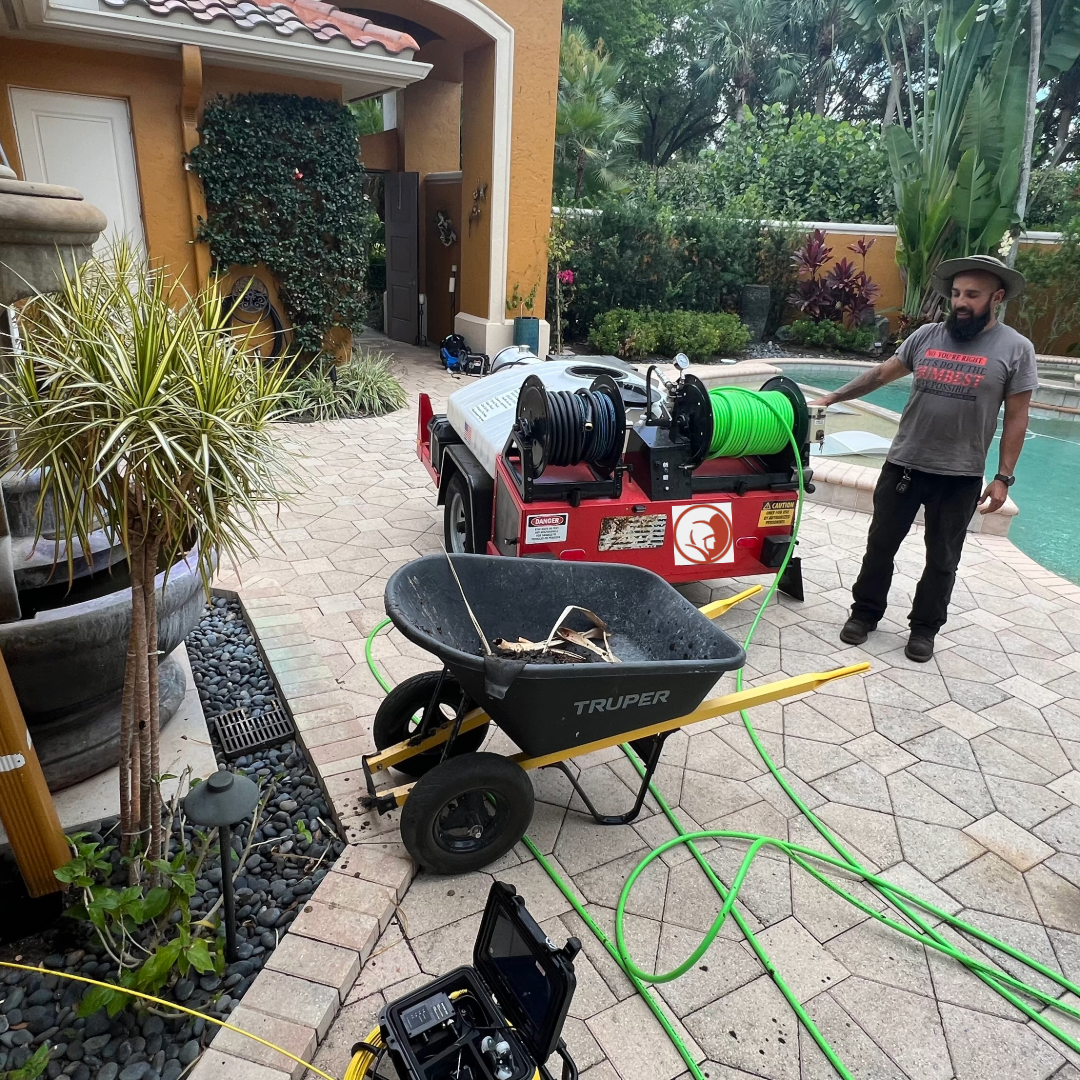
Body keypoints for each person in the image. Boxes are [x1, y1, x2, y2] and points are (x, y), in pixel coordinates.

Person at [810, 255, 1037, 663]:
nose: (960, 302)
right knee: (880, 545)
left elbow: (1018, 416)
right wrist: (833, 396)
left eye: (972, 295)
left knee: (943, 559)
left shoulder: (1016, 349)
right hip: (905, 465)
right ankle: (864, 614)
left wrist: (1004, 476)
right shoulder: (927, 336)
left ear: (997, 298)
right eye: (955, 294)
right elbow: (880, 375)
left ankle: (924, 629)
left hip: (960, 475)